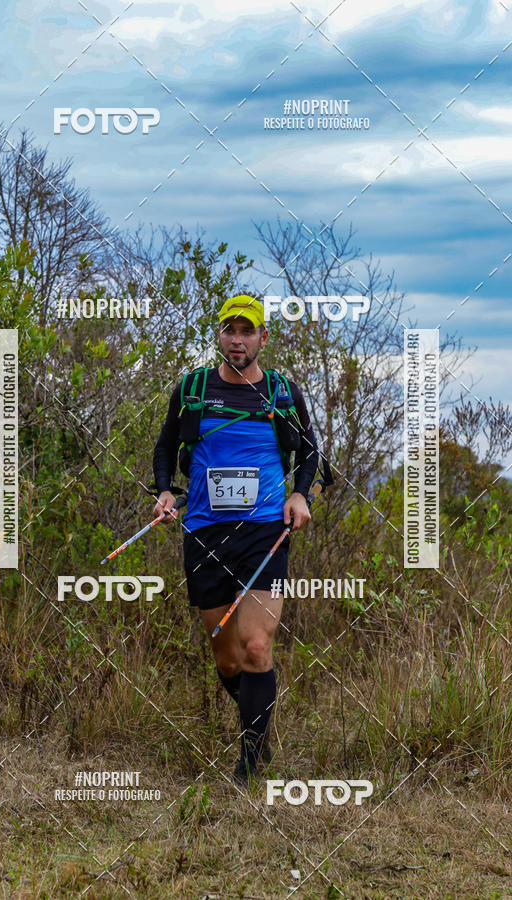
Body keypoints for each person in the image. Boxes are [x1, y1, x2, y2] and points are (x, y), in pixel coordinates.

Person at [152, 295, 331, 786]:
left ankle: (250, 761)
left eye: (247, 331)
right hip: (205, 531)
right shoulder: (193, 388)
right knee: (228, 657)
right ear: (219, 336)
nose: (238, 339)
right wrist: (165, 491)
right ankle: (261, 725)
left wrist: (300, 497)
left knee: (256, 645)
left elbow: (312, 450)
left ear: (262, 338)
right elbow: (167, 444)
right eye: (230, 330)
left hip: (264, 532)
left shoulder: (280, 391)